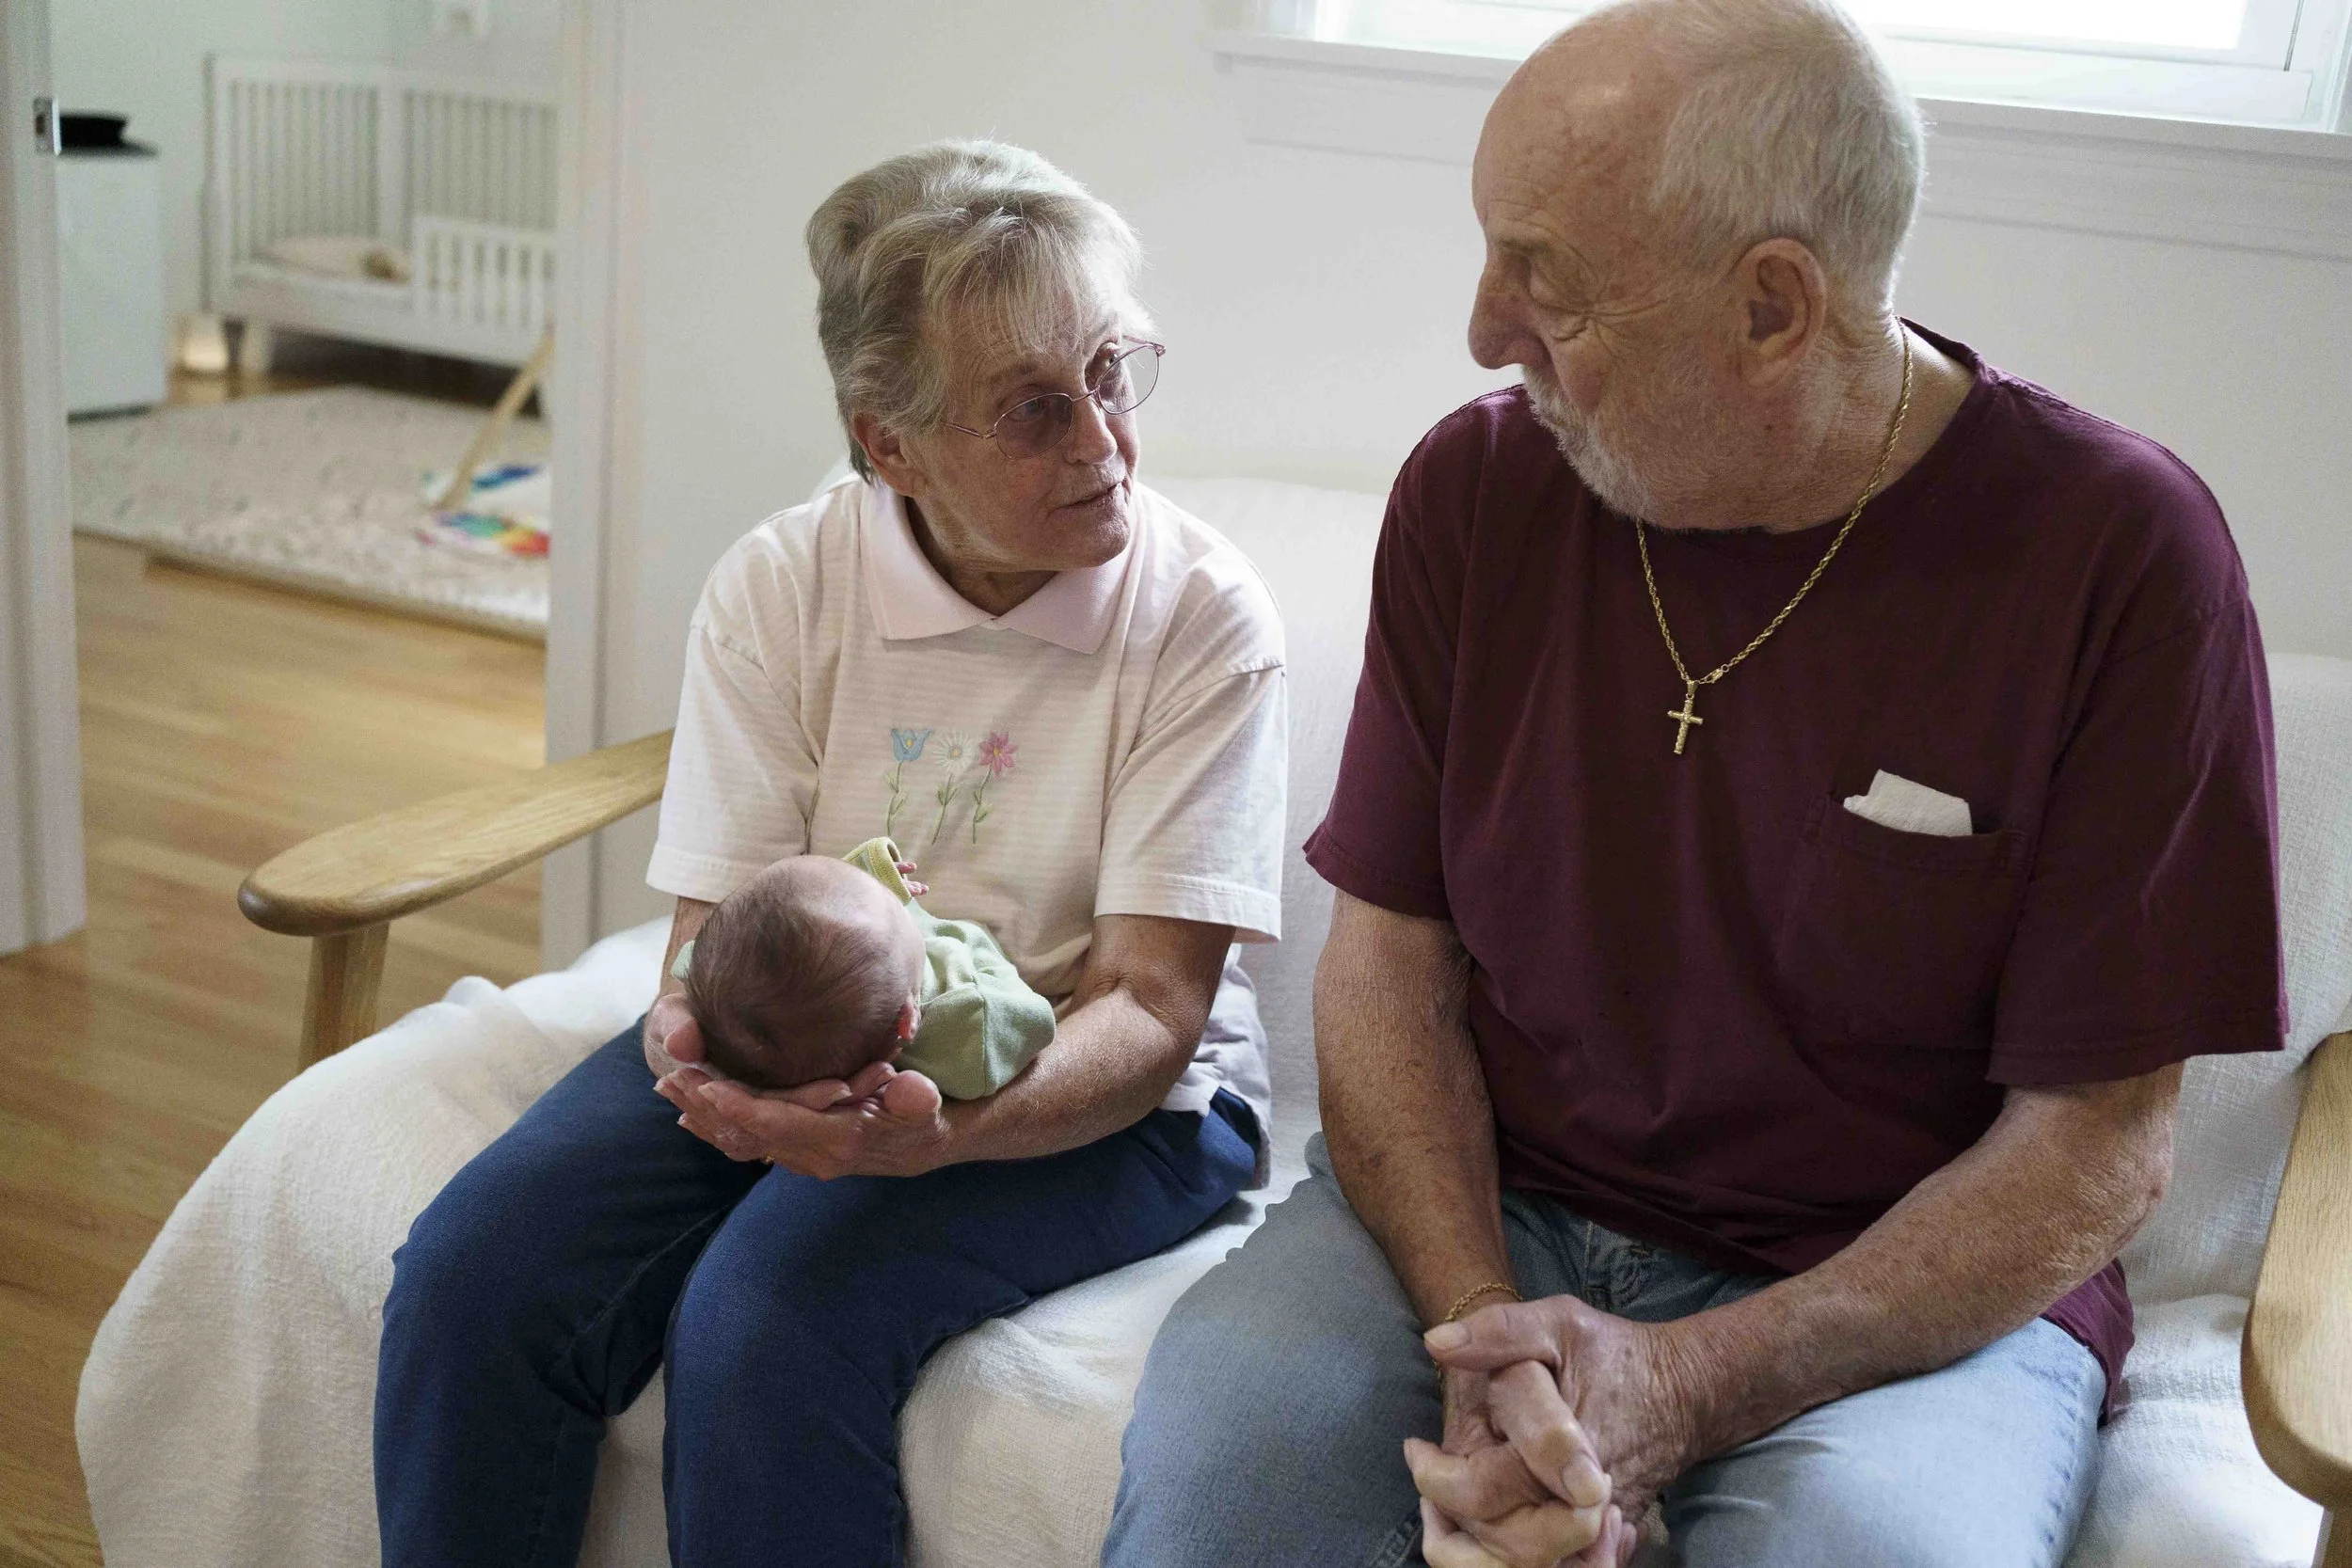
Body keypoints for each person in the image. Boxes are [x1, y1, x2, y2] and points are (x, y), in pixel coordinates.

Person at [1106, 4, 2282, 1567]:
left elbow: (2096, 1144)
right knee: (1225, 1466)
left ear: (1776, 305)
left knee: (1875, 1551)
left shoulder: (2120, 556)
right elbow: (1387, 963)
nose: (1483, 328)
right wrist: (1492, 1341)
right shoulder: (1479, 488)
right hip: (1489, 1209)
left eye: (1551, 280)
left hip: (1893, 1280)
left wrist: (1683, 1386)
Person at [373, 139, 1288, 1568]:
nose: (1104, 443)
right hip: (812, 1026)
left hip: (1118, 1094)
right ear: (890, 445)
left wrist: (930, 1133)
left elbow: (1158, 1011)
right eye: (1036, 408)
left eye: (1112, 372)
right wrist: (697, 1044)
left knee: (764, 1317)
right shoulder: (782, 585)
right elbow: (716, 933)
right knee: (472, 1276)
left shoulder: (1202, 618)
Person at [674, 839, 1057, 1101]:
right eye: (895, 902)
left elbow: (820, 903)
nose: (902, 897)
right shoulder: (968, 1018)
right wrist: (984, 962)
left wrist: (876, 865)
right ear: (909, 1019)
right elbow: (1034, 1017)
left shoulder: (729, 983)